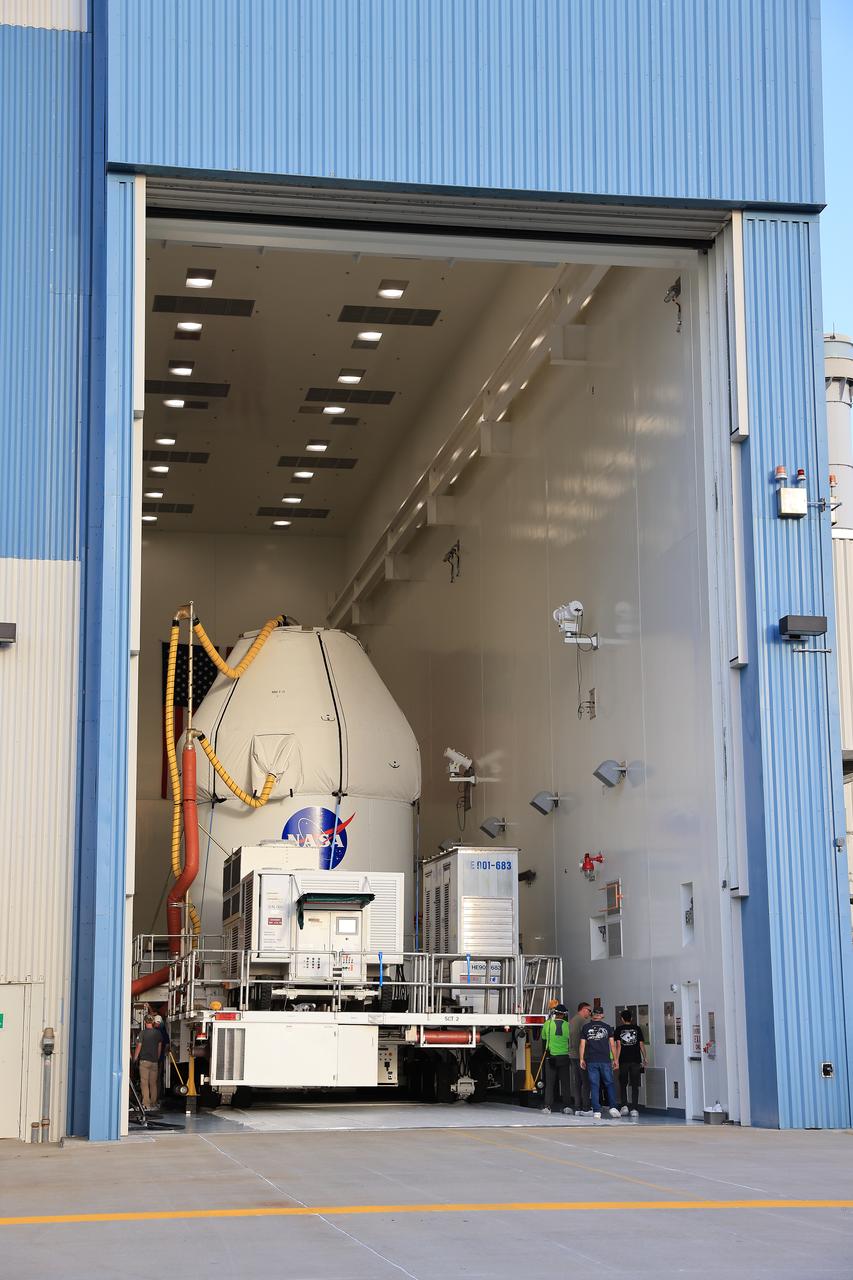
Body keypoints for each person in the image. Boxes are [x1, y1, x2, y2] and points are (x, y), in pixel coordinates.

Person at [579, 1007, 621, 1119]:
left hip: (591, 1060)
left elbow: (582, 1044)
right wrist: (616, 1059)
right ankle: (613, 1107)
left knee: (594, 1085)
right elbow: (612, 1045)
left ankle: (597, 1111)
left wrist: (581, 1059)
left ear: (592, 1015)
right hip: (605, 1060)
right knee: (609, 1083)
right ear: (602, 1015)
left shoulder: (585, 1027)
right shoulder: (607, 1028)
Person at [540, 1003, 572, 1115]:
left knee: (549, 1083)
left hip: (551, 1057)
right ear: (564, 1015)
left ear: (555, 1013)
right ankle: (567, 1106)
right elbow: (570, 1041)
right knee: (565, 1083)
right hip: (564, 1056)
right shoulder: (568, 1025)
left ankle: (547, 1106)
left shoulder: (547, 1024)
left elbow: (543, 1039)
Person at [614, 1009, 647, 1117]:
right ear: (631, 1018)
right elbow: (641, 1044)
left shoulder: (618, 1029)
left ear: (622, 1019)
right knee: (634, 1085)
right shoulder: (637, 1029)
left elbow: (618, 1046)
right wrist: (645, 1057)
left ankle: (624, 1106)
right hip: (636, 1060)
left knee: (623, 1083)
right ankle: (634, 1109)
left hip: (623, 1060)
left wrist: (616, 1060)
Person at [568, 1000, 592, 1115]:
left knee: (577, 1082)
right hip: (581, 1056)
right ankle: (586, 1106)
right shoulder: (583, 1022)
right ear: (583, 1010)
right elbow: (584, 1040)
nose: (590, 1013)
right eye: (589, 1010)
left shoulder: (571, 1020)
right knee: (585, 1082)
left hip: (572, 1055)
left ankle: (577, 1106)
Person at [133, 1015, 163, 1111]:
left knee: (144, 1083)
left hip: (144, 1061)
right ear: (153, 1022)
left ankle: (146, 1104)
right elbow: (159, 1047)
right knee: (153, 1083)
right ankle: (154, 1104)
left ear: (145, 1022)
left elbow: (138, 1047)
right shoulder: (158, 1033)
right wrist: (157, 1058)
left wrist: (135, 1058)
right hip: (154, 1062)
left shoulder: (142, 1033)